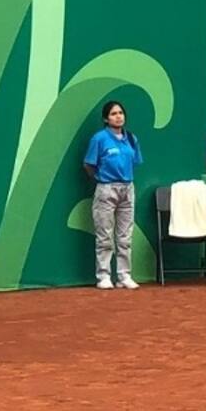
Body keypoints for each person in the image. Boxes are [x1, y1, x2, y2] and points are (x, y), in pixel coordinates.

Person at [83, 100, 144, 290]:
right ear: (105, 118)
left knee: (125, 236)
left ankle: (124, 275)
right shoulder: (99, 139)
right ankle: (103, 276)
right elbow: (88, 164)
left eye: (120, 113)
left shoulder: (132, 139)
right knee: (104, 235)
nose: (118, 117)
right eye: (113, 114)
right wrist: (102, 180)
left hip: (127, 188)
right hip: (106, 189)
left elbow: (135, 161)